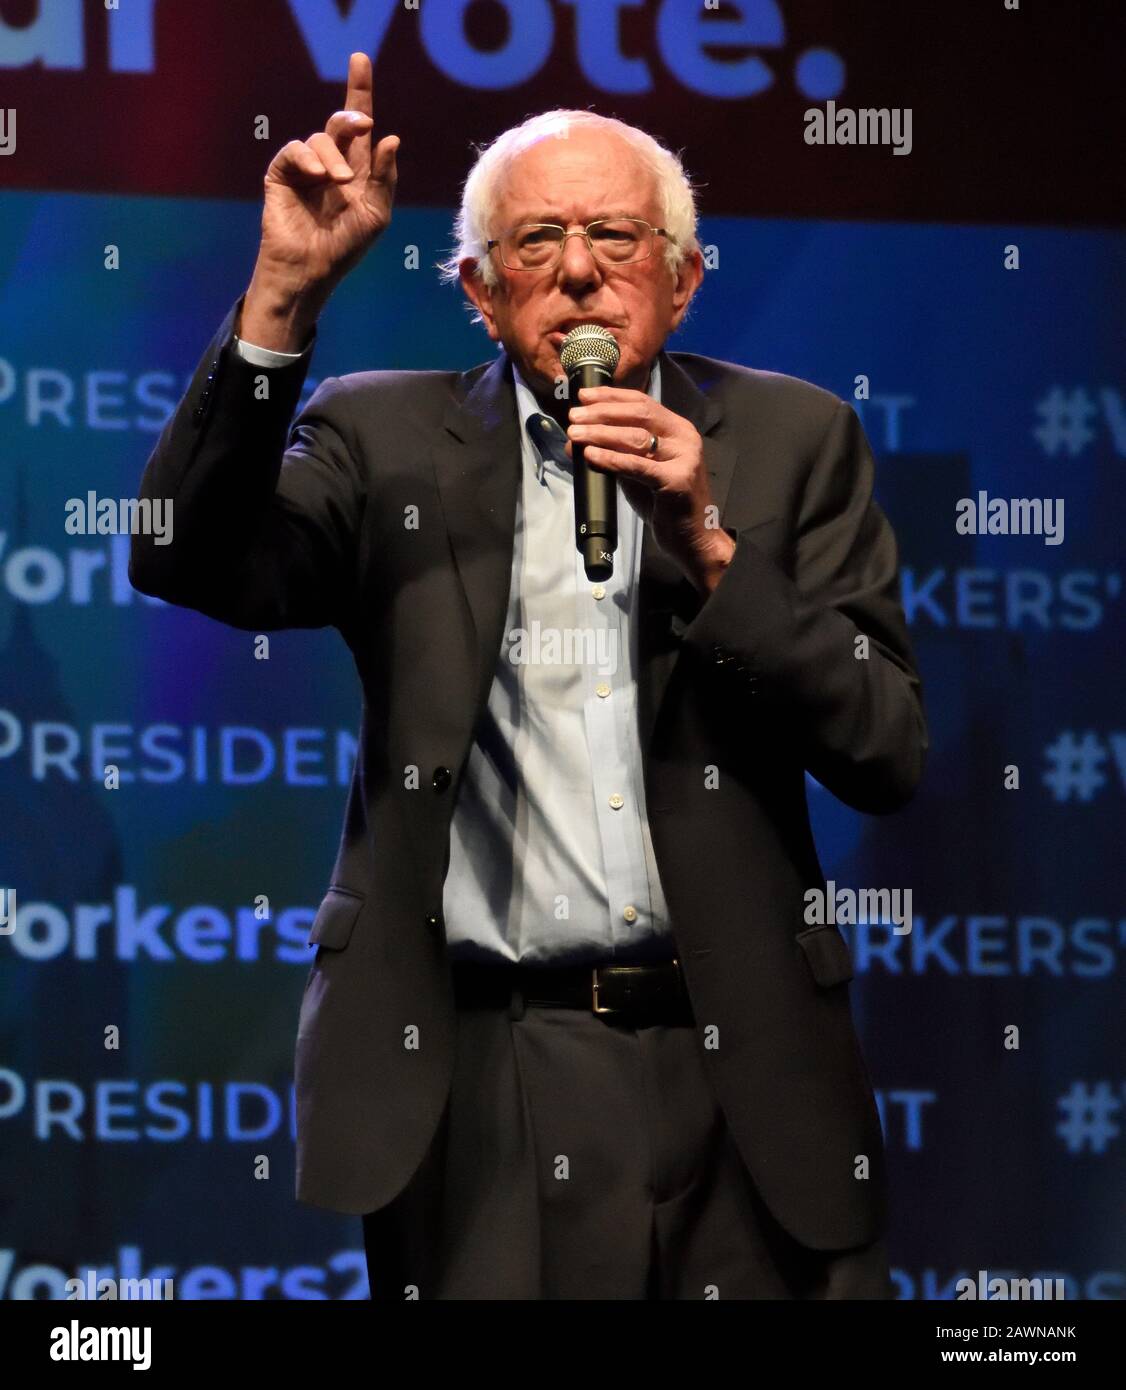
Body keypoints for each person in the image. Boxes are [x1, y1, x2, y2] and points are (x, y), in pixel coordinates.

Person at [131, 52, 927, 1300]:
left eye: (616, 235)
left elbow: (886, 747)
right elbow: (186, 558)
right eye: (536, 241)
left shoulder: (794, 441)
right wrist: (281, 295)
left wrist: (716, 556)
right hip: (477, 1073)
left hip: (743, 1071)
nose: (576, 270)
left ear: (684, 274)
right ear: (481, 293)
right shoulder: (381, 436)